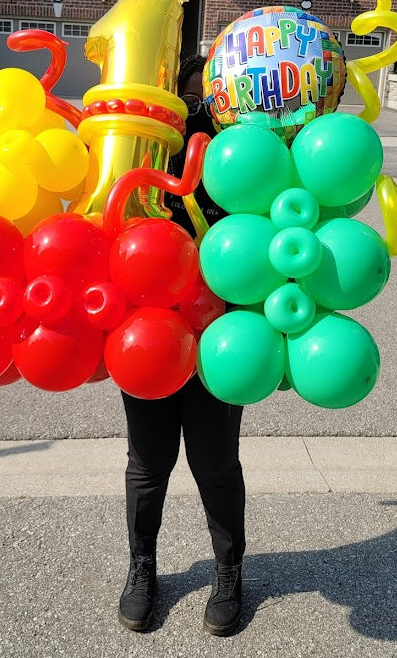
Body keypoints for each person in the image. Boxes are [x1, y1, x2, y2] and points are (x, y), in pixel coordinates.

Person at [117, 56, 246, 637]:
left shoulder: (244, 160)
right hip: (146, 330)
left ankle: (229, 569)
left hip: (221, 331)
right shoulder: (140, 153)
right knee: (148, 463)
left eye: (207, 101)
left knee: (215, 464)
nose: (197, 112)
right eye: (186, 100)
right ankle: (142, 566)